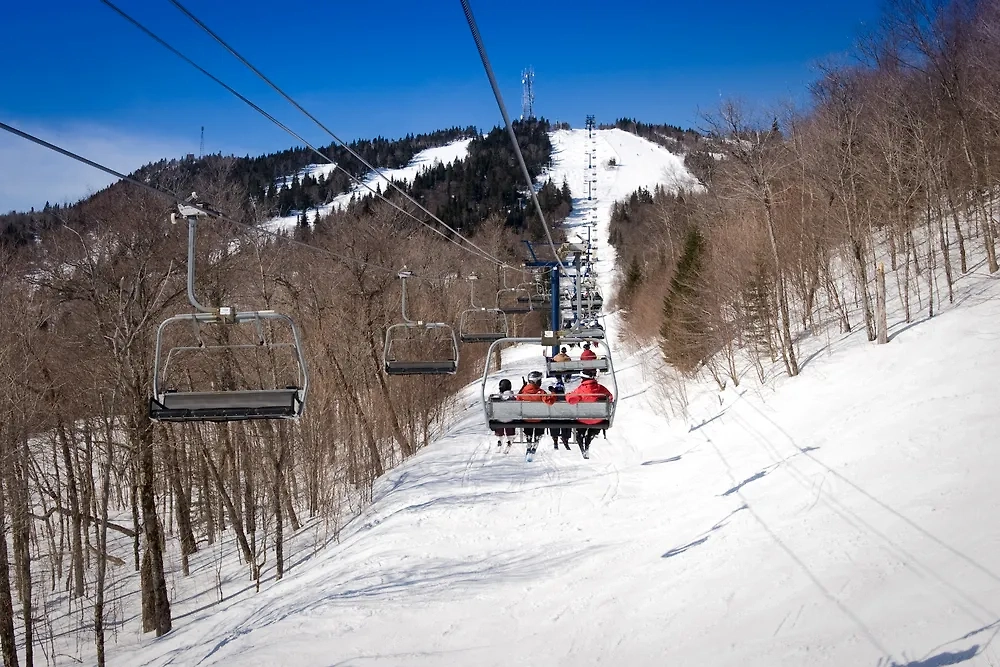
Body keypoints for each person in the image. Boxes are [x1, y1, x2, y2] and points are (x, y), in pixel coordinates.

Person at [566, 369, 613, 458]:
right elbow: (610, 398)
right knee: (595, 422)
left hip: (583, 419)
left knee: (582, 422)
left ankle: (581, 436)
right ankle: (591, 436)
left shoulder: (580, 390)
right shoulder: (601, 388)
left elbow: (571, 400)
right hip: (598, 419)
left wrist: (568, 395)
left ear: (583, 379)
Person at [517, 370, 553, 455]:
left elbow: (518, 399)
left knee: (528, 420)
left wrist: (522, 387)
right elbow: (550, 401)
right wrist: (553, 392)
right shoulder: (541, 392)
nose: (541, 382)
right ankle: (537, 437)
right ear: (536, 381)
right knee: (541, 420)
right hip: (539, 419)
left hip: (526, 419)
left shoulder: (523, 392)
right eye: (540, 380)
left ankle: (529, 437)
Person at [492, 378, 516, 451]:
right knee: (509, 418)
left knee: (499, 418)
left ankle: (500, 438)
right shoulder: (512, 396)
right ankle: (510, 439)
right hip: (510, 420)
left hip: (499, 419)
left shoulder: (497, 396)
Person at [547, 381, 572, 450]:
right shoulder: (566, 397)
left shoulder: (552, 397)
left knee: (553, 419)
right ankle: (565, 438)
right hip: (565, 419)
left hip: (554, 419)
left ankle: (555, 439)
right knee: (567, 420)